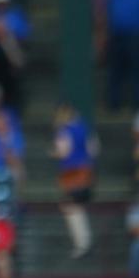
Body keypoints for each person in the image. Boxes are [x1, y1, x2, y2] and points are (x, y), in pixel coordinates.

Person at [51, 103, 99, 258]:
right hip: (85, 169)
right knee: (74, 206)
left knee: (72, 207)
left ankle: (83, 243)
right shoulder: (84, 128)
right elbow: (94, 149)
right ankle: (83, 241)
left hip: (72, 172)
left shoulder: (64, 130)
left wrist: (54, 153)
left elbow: (63, 152)